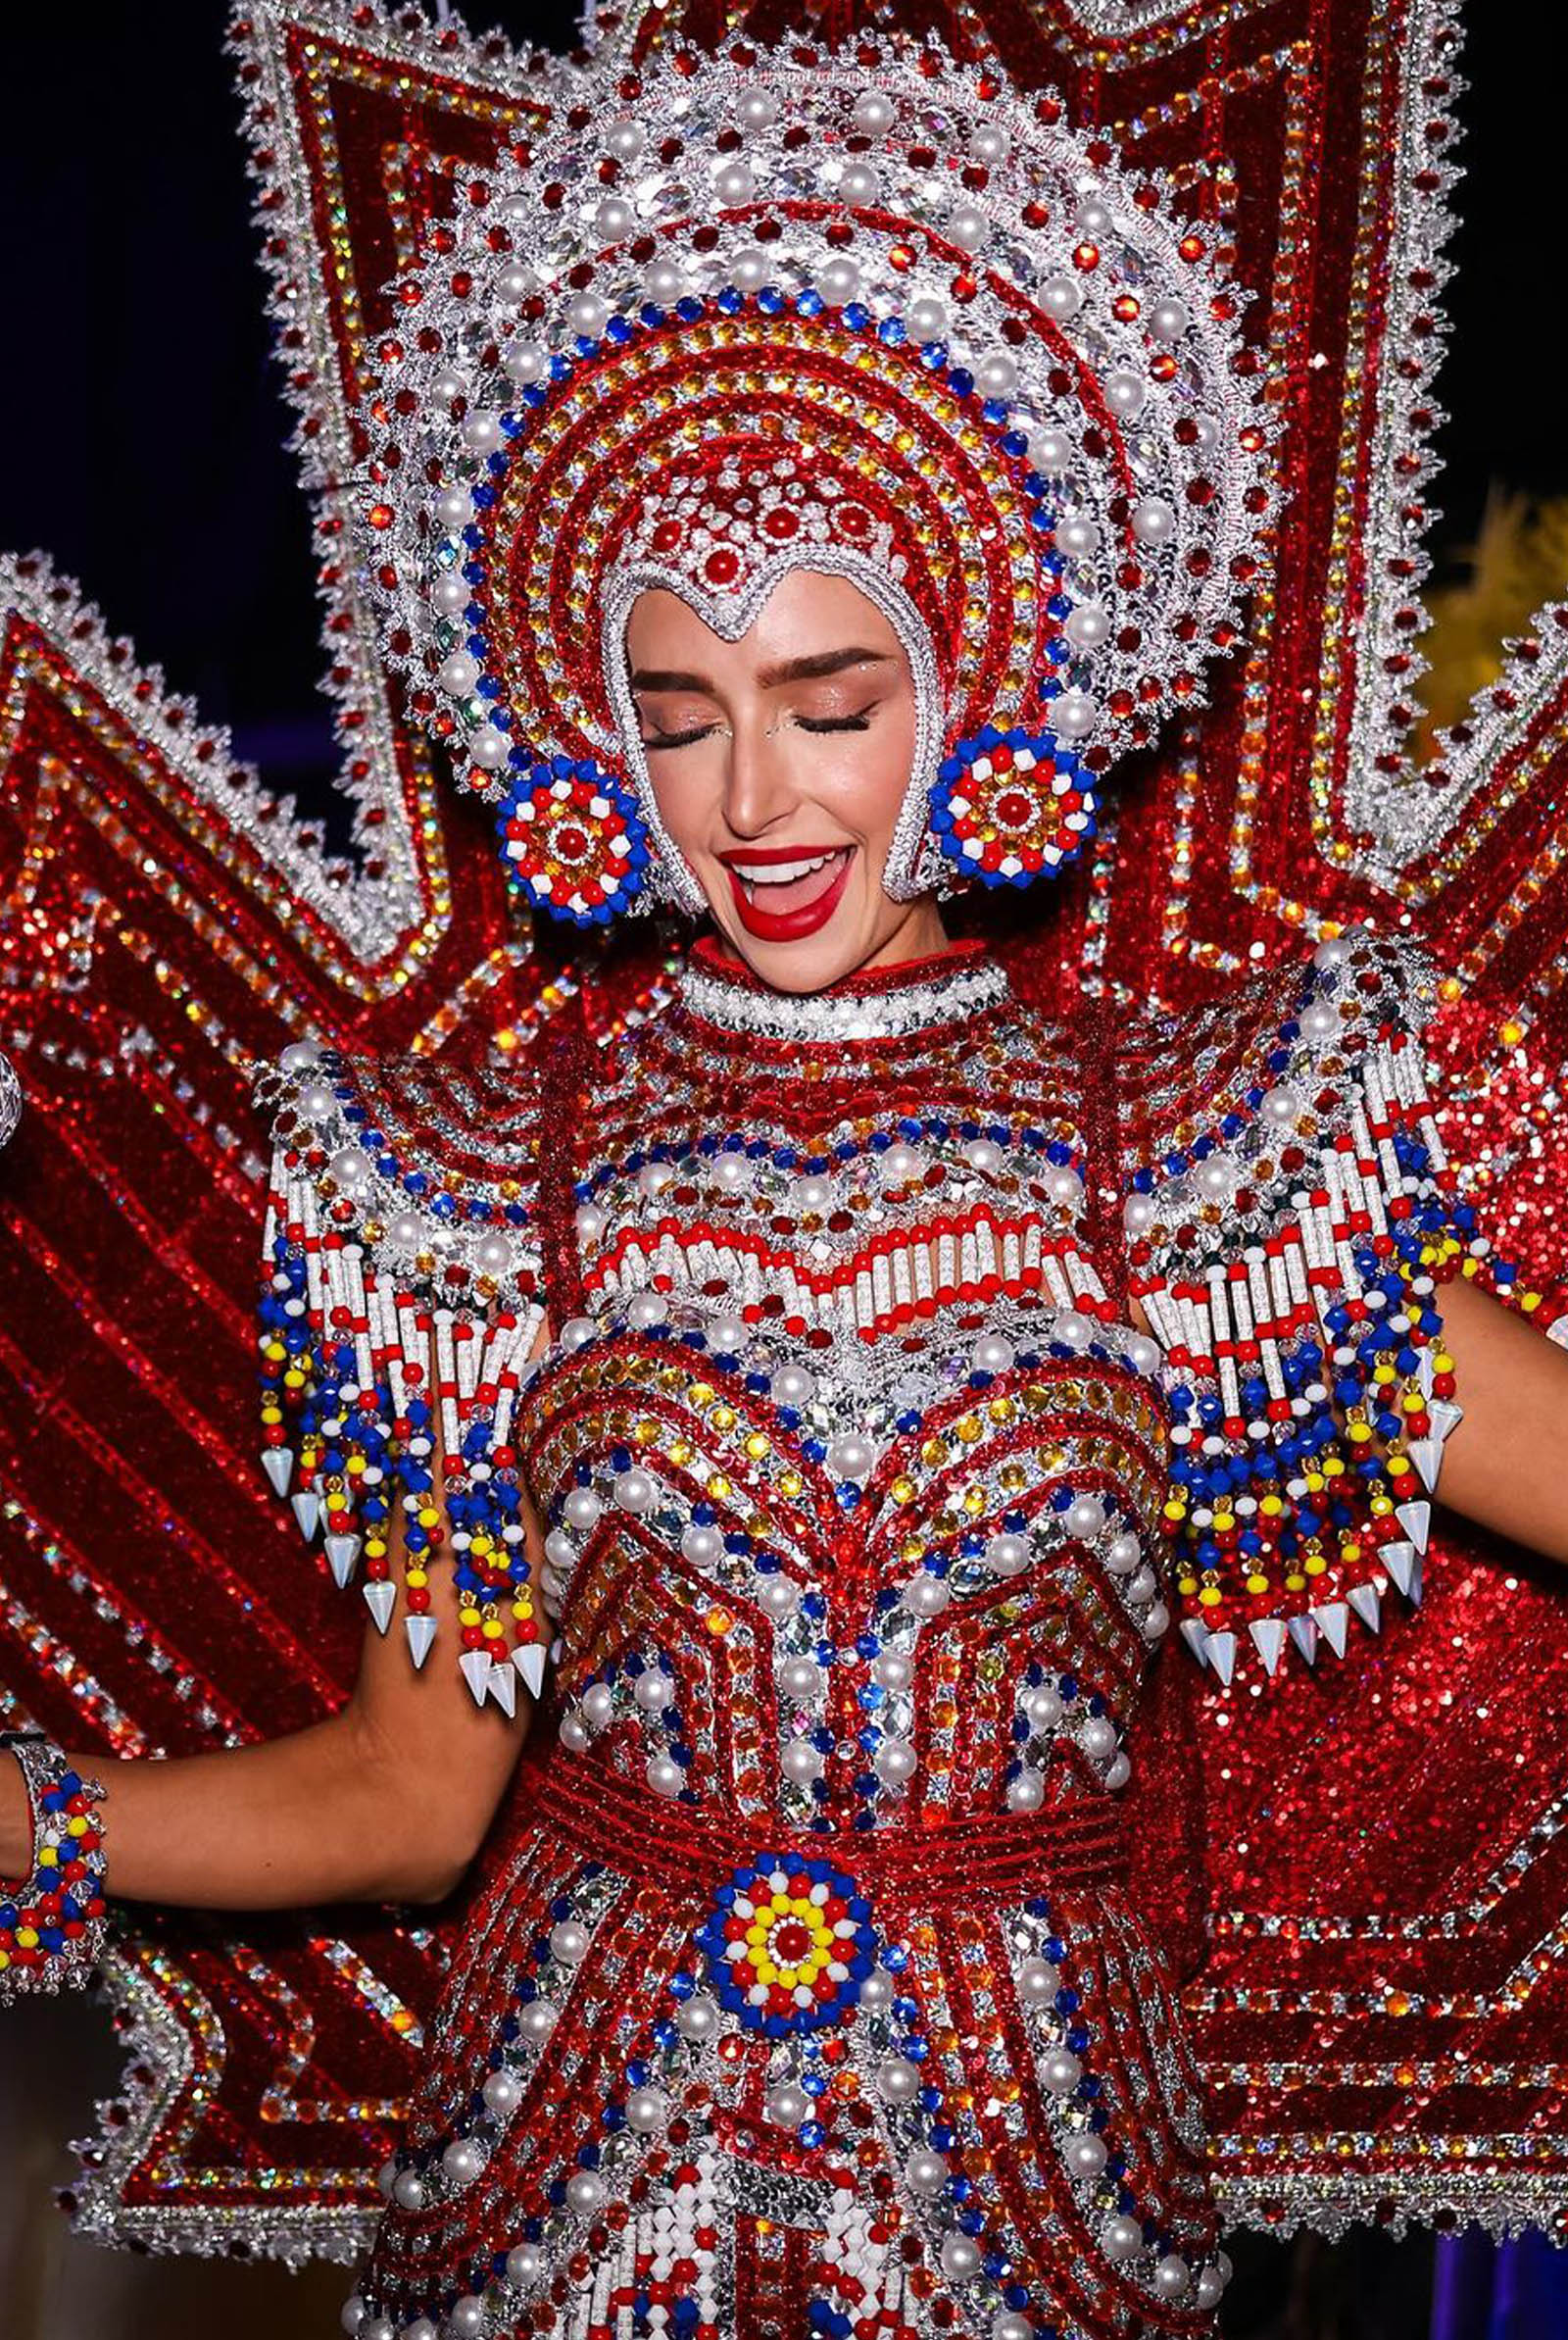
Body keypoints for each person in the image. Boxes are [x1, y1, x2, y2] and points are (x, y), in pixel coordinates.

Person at [3, 33, 1565, 2340]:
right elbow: (416, 1801)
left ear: (977, 679)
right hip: (566, 2183)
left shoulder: (1206, 1152)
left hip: (1032, 2208)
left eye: (827, 695)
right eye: (675, 711)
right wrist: (39, 1828)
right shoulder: (472, 1184)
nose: (753, 790)